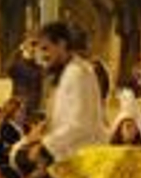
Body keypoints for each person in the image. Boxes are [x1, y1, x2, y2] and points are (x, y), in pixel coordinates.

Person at [31, 21, 108, 164]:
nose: (43, 56)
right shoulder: (67, 72)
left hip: (84, 160)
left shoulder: (78, 73)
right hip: (71, 158)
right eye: (41, 50)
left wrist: (45, 145)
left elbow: (79, 124)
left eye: (46, 49)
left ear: (61, 44)